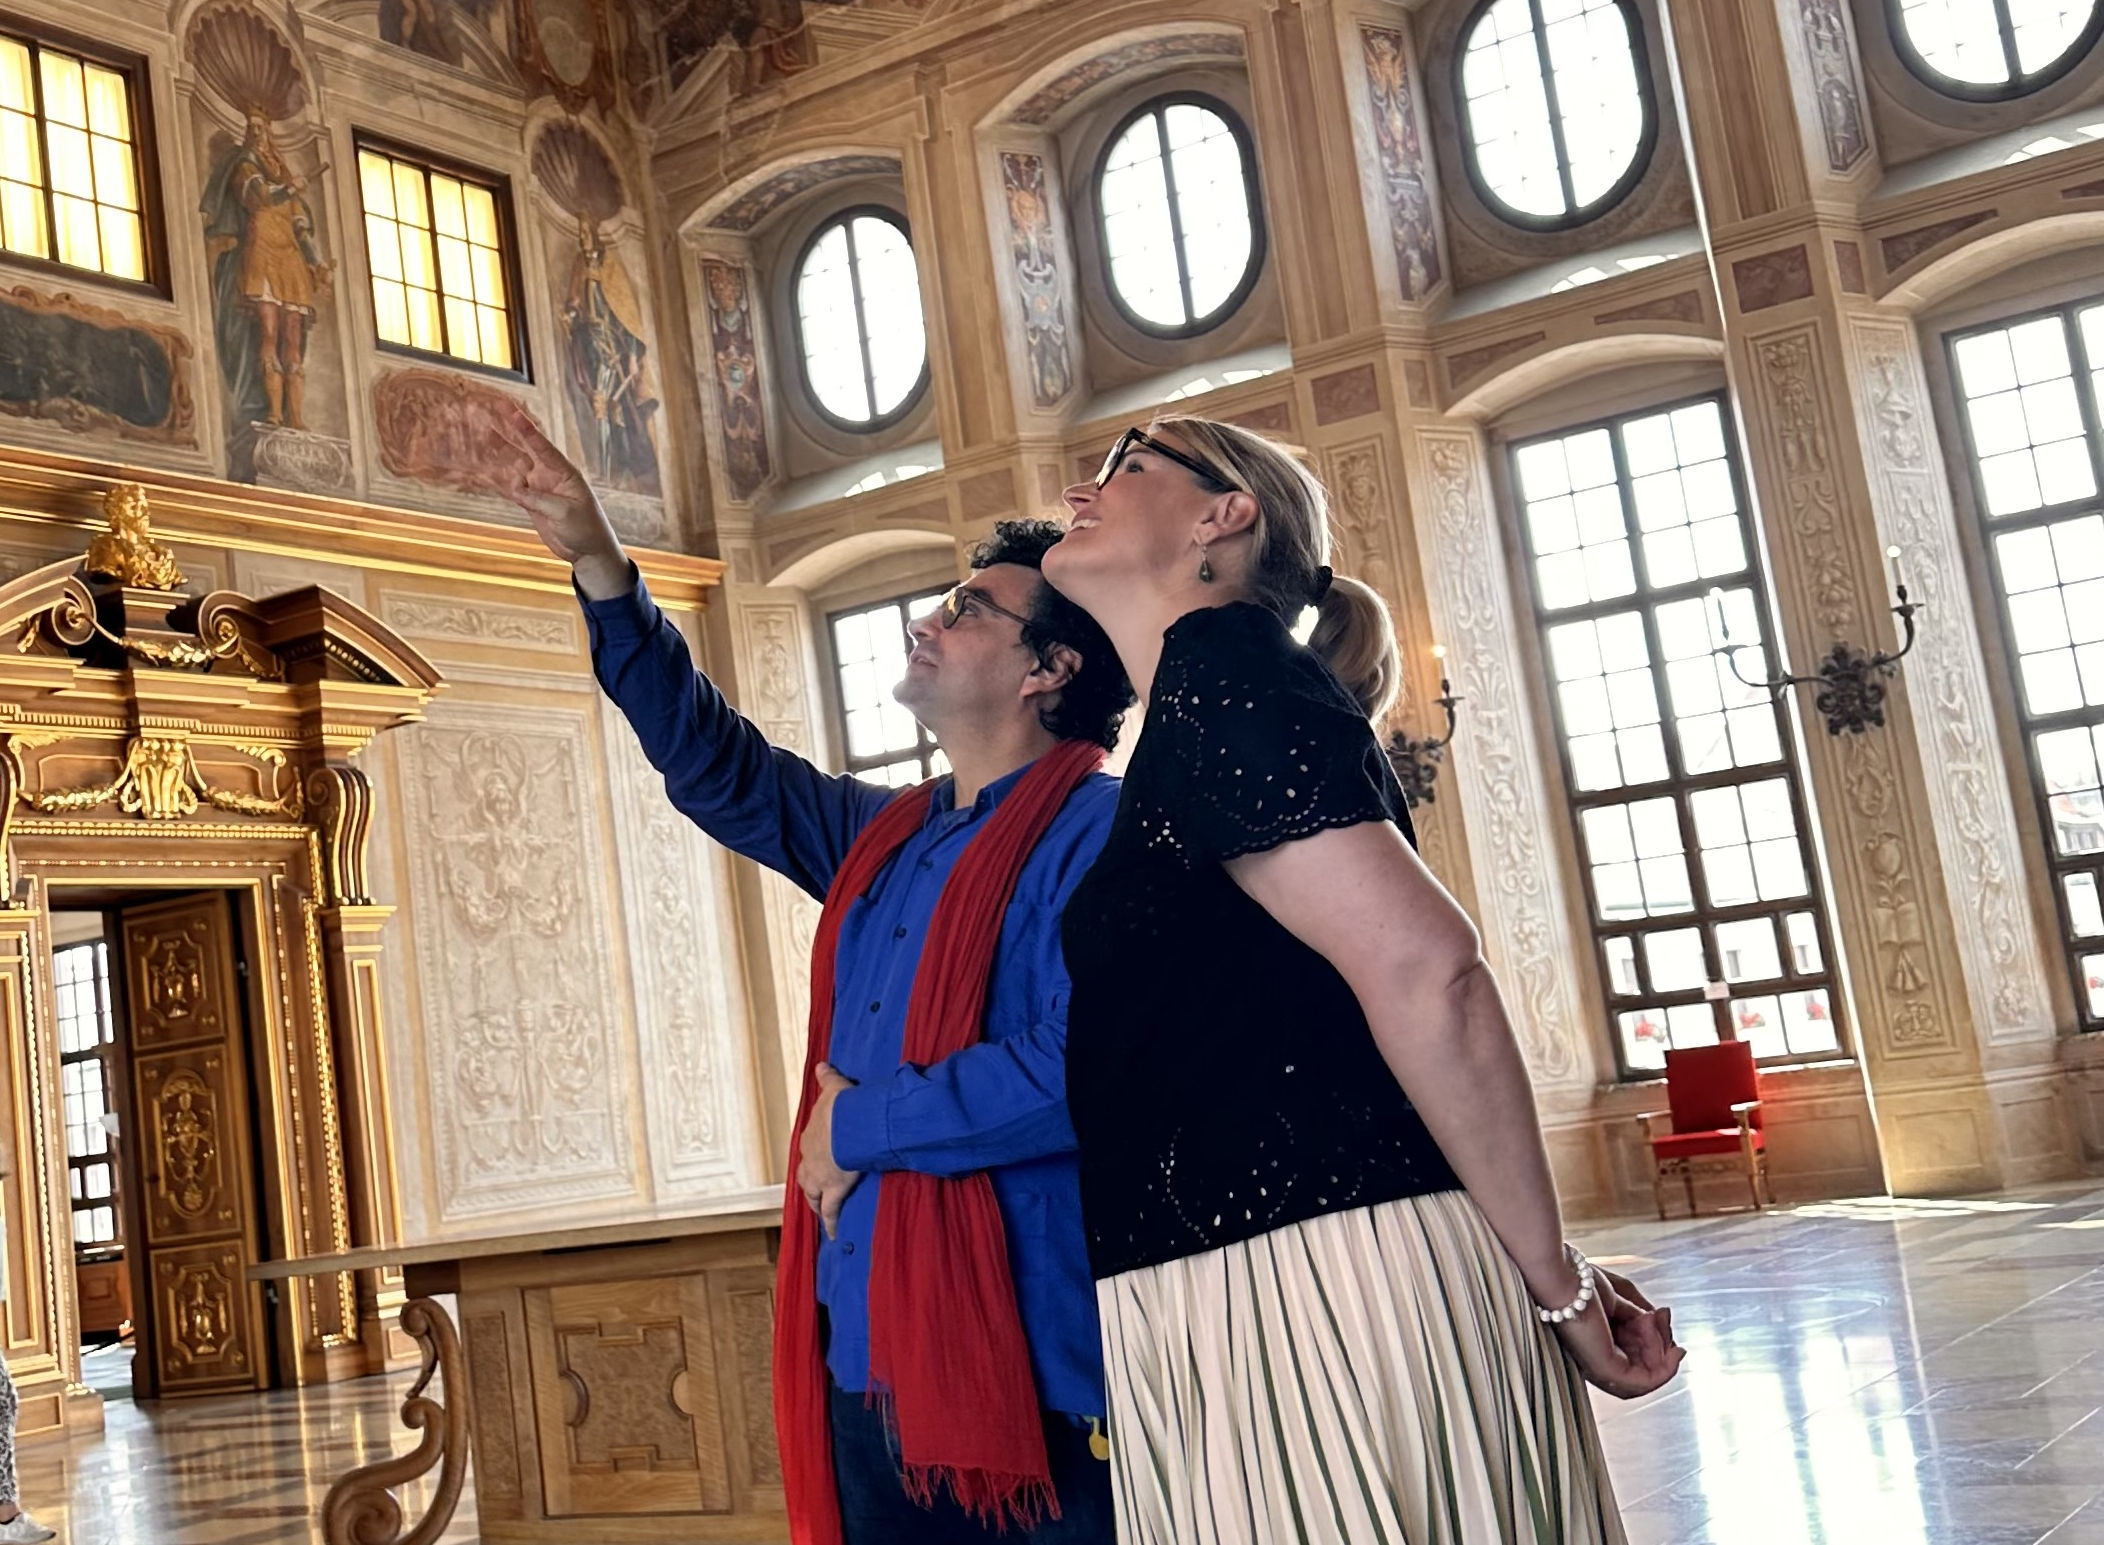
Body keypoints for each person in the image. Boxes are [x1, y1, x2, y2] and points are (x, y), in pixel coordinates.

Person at [495, 404, 1130, 1545]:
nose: (929, 621)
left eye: (968, 609)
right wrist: (598, 564)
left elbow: (1086, 1065)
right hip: (863, 1349)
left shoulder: (1103, 834)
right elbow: (716, 764)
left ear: (1050, 667)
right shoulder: (881, 835)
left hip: (1032, 1361)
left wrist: (856, 1127)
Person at [1044, 417, 1684, 1545]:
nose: (1078, 491)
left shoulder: (1224, 671)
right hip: (1258, 1280)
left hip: (1318, 1285)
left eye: (1126, 466)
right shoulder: (1205, 695)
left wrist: (1561, 1287)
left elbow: (1431, 972)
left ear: (1222, 515)